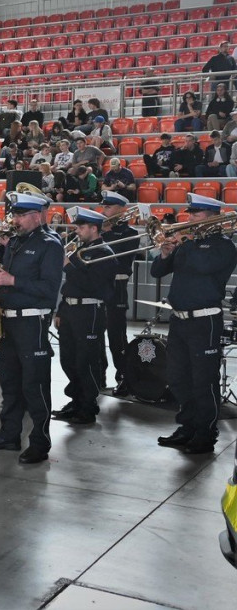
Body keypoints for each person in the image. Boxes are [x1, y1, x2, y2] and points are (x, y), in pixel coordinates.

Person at [0, 192, 64, 464]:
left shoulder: (50, 244)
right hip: (9, 320)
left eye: (21, 215)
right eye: (14, 214)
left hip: (32, 322)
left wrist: (12, 280)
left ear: (37, 216)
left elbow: (50, 290)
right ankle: (9, 434)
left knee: (34, 385)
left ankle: (40, 441)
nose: (15, 220)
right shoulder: (14, 242)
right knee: (10, 383)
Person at [150, 193, 237, 454]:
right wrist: (166, 253)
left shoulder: (224, 245)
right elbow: (156, 272)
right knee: (178, 378)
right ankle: (187, 426)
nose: (189, 219)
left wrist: (182, 243)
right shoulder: (187, 244)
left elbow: (202, 266)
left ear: (213, 217)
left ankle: (205, 432)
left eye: (196, 214)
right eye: (190, 214)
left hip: (205, 320)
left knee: (203, 380)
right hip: (180, 320)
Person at [50, 208, 117, 425]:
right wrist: (61, 310)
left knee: (86, 361)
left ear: (94, 228)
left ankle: (88, 407)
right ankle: (76, 401)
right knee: (68, 359)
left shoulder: (104, 253)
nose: (77, 231)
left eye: (81, 227)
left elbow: (94, 286)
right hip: (71, 309)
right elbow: (69, 286)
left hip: (89, 311)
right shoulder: (81, 250)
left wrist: (70, 266)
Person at [98, 192, 141, 389]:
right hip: (97, 285)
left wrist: (104, 234)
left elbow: (119, 260)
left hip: (117, 286)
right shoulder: (99, 230)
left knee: (116, 335)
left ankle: (124, 374)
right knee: (95, 333)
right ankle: (98, 374)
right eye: (104, 206)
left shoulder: (130, 233)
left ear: (121, 209)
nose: (104, 210)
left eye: (108, 207)